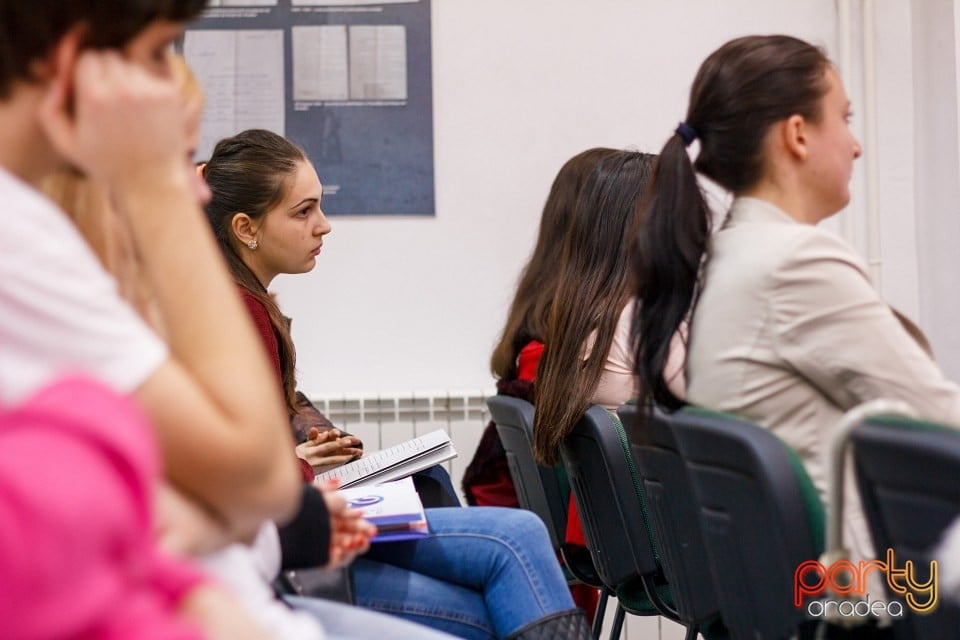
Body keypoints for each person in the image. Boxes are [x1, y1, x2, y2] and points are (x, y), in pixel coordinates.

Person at [201, 128, 593, 640]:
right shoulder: (240, 310)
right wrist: (298, 466)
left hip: (283, 532)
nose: (324, 226)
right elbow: (244, 479)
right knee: (513, 544)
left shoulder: (244, 303)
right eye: (303, 212)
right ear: (246, 228)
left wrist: (301, 460)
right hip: (281, 557)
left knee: (498, 535)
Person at [631, 33, 960, 611]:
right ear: (798, 133)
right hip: (868, 594)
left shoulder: (730, 256)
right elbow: (941, 422)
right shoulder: (796, 263)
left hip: (786, 592)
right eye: (845, 118)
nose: (856, 146)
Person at [0, 0, 301, 542]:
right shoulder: (18, 238)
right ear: (78, 61)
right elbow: (261, 477)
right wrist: (158, 182)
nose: (170, 84)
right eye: (159, 53)